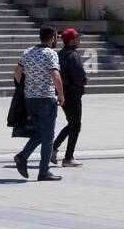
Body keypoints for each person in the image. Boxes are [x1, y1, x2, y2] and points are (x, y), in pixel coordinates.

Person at [13, 25, 65, 181]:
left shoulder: (27, 52)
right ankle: (43, 172)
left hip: (30, 99)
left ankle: (23, 156)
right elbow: (55, 75)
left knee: (40, 133)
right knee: (48, 137)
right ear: (52, 38)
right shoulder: (50, 54)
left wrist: (25, 87)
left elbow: (17, 73)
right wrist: (61, 94)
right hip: (46, 100)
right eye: (56, 37)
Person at [54, 27, 89, 167]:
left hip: (63, 93)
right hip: (74, 94)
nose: (79, 40)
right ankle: (68, 158)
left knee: (72, 124)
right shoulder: (73, 55)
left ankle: (53, 148)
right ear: (69, 41)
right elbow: (80, 76)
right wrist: (85, 80)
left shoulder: (60, 54)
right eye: (76, 38)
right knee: (76, 125)